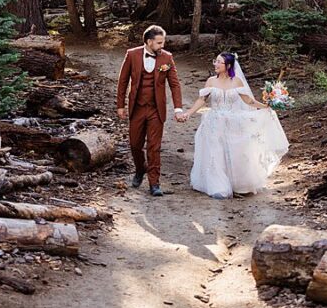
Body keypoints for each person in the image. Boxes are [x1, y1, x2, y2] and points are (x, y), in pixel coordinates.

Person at [187, 51, 289, 199]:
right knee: (215, 153)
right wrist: (189, 113)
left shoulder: (237, 82)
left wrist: (266, 106)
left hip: (232, 122)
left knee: (234, 152)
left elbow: (248, 101)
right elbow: (201, 100)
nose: (215, 64)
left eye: (219, 62)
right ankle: (218, 185)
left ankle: (236, 183)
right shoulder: (211, 81)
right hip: (214, 122)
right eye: (215, 61)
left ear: (228, 66)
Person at [116, 25, 187, 196]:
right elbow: (123, 81)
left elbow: (175, 84)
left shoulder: (167, 58)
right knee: (135, 145)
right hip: (137, 108)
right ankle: (140, 169)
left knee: (154, 147)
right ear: (149, 42)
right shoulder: (132, 54)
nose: (163, 45)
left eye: (163, 42)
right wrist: (120, 105)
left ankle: (154, 183)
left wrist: (178, 108)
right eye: (159, 42)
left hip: (156, 109)